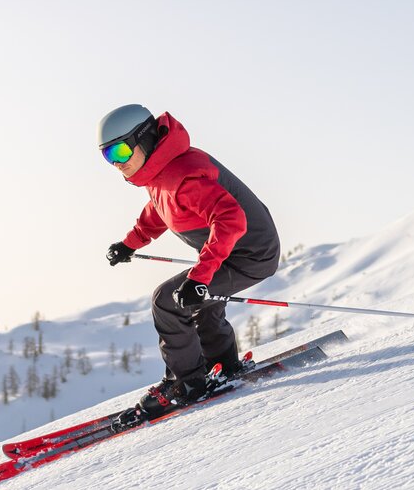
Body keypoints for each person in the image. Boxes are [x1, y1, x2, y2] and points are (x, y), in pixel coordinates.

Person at [98, 104, 281, 421]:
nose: (116, 163)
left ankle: (185, 384)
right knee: (199, 303)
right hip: (234, 252)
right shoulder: (160, 175)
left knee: (167, 301)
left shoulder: (184, 175)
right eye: (107, 155)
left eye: (121, 150)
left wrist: (200, 278)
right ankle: (221, 365)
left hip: (249, 254)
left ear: (146, 138)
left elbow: (231, 219)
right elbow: (159, 212)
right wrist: (129, 244)